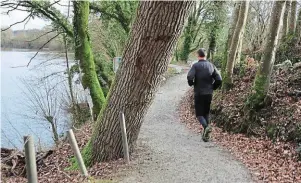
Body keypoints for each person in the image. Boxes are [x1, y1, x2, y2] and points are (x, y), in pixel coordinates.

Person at [187, 48, 222, 142]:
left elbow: (190, 76)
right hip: (209, 93)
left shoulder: (195, 66)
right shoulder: (211, 65)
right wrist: (213, 87)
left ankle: (206, 127)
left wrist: (191, 83)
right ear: (205, 55)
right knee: (206, 113)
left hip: (199, 93)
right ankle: (206, 136)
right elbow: (219, 79)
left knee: (199, 114)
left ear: (198, 55)